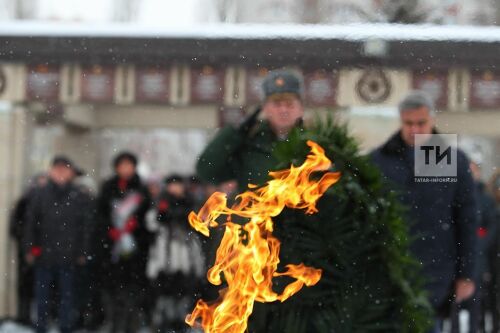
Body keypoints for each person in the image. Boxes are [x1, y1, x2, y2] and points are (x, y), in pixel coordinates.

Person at [370, 91, 477, 332]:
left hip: (435, 271)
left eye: (421, 123)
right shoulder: (380, 160)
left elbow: (466, 220)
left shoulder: (447, 159)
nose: (415, 129)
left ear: (432, 120)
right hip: (389, 270)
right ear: (401, 121)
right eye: (409, 123)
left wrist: (467, 274)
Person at [196, 69, 305, 191]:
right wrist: (235, 133)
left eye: (289, 104)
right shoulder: (249, 144)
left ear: (301, 108)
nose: (283, 110)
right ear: (265, 108)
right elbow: (206, 170)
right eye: (277, 104)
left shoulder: (314, 145)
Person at [23, 156, 91, 333]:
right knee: (42, 294)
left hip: (69, 254)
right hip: (44, 253)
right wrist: (30, 247)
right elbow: (31, 223)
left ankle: (66, 325)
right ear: (51, 171)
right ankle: (42, 325)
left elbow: (84, 226)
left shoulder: (79, 196)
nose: (61, 173)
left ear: (71, 173)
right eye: (57, 169)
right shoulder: (40, 193)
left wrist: (82, 251)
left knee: (67, 295)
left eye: (65, 169)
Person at [96, 151, 153, 333]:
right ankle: (113, 322)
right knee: (112, 289)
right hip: (112, 249)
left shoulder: (142, 189)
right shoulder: (107, 188)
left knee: (133, 289)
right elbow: (99, 216)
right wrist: (109, 230)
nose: (125, 169)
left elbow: (149, 218)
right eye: (122, 165)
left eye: (129, 165)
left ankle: (131, 323)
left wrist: (135, 226)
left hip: (135, 249)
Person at [147, 175, 205, 331]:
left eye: (177, 184)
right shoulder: (160, 201)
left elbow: (198, 223)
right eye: (171, 185)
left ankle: (182, 320)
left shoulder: (190, 201)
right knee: (165, 288)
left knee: (185, 287)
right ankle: (164, 319)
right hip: (165, 251)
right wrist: (164, 214)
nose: (174, 188)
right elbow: (152, 223)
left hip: (186, 251)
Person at [9, 173, 47, 326]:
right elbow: (15, 228)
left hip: (44, 252)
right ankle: (23, 316)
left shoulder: (48, 203)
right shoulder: (24, 202)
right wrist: (28, 244)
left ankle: (40, 317)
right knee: (25, 286)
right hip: (26, 252)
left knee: (41, 286)